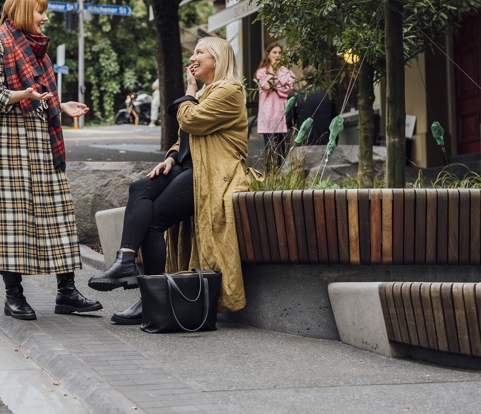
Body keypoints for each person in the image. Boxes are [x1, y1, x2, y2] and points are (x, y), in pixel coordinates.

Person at [88, 36, 250, 324]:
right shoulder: (205, 93)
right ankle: (126, 261)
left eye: (200, 52)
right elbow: (183, 138)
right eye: (194, 51)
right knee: (140, 189)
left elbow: (192, 121)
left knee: (154, 222)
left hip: (212, 172)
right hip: (187, 167)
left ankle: (149, 298)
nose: (193, 57)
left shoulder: (230, 90)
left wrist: (189, 91)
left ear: (217, 58)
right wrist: (171, 157)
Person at [0, 0, 102, 321]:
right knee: (11, 219)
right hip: (8, 144)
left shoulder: (38, 51)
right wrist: (24, 94)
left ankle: (67, 293)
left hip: (41, 139)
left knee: (58, 212)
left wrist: (60, 105)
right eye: (39, 11)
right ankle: (13, 296)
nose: (45, 17)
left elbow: (40, 96)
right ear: (20, 12)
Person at [255, 42, 295, 172]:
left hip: (282, 115)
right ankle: (270, 178)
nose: (277, 55)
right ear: (268, 54)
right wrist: (272, 71)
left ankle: (282, 177)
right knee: (270, 150)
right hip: (268, 116)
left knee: (283, 150)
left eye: (279, 53)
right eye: (274, 52)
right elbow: (266, 86)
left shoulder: (286, 71)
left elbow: (288, 89)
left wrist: (275, 86)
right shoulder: (262, 71)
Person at [288, 67, 338, 147]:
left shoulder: (296, 96)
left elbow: (289, 123)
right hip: (326, 141)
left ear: (303, 79)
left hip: (304, 143)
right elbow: (336, 120)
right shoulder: (329, 93)